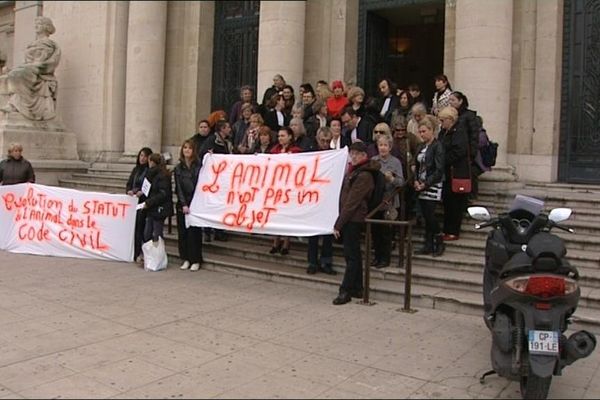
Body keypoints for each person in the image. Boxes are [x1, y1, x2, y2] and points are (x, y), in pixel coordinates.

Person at [332, 142, 381, 305]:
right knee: (353, 254)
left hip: (354, 218)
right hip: (351, 216)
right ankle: (358, 287)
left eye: (356, 154)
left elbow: (352, 202)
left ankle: (345, 290)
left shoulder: (364, 175)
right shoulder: (356, 172)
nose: (352, 156)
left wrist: (339, 223)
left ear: (363, 156)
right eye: (351, 153)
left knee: (351, 255)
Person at [0, 17, 60, 120]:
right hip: (30, 68)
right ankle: (15, 104)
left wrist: (31, 66)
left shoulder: (49, 44)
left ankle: (18, 106)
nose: (36, 26)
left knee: (16, 74)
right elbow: (27, 61)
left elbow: (45, 62)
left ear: (46, 27)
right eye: (36, 24)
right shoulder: (33, 43)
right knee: (6, 76)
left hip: (40, 71)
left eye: (39, 24)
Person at [413, 115, 445, 256]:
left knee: (430, 215)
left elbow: (439, 169)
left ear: (432, 130)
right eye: (420, 132)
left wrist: (426, 184)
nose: (421, 134)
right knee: (425, 214)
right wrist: (416, 180)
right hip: (421, 182)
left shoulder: (437, 146)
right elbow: (415, 165)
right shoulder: (421, 146)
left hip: (432, 184)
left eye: (424, 131)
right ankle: (427, 244)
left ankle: (439, 241)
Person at [371, 134, 404, 268]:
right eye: (380, 145)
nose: (383, 148)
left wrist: (391, 179)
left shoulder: (395, 162)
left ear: (390, 147)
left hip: (389, 201)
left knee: (386, 233)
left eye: (385, 145)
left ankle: (385, 259)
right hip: (375, 201)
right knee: (375, 232)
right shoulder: (373, 160)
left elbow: (401, 182)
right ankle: (377, 257)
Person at [306, 127, 336, 276]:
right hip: (314, 198)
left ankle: (326, 261)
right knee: (313, 233)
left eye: (327, 141)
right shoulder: (311, 154)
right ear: (317, 139)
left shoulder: (334, 155)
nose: (325, 143)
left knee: (328, 233)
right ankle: (312, 261)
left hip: (328, 199)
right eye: (322, 140)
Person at [438, 106, 470, 242]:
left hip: (455, 173)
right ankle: (447, 229)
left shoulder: (459, 132)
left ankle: (452, 231)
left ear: (450, 120)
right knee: (447, 203)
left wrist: (443, 159)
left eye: (443, 120)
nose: (441, 123)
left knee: (455, 204)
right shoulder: (443, 132)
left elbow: (459, 151)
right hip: (446, 174)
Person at [269, 127, 302, 255]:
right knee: (276, 215)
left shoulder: (296, 151)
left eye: (283, 135)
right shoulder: (274, 151)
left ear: (290, 137)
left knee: (287, 215)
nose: (280, 138)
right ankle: (275, 241)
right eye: (279, 136)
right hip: (276, 187)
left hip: (289, 188)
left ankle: (286, 242)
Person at [174, 140, 203, 271]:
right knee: (183, 233)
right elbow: (178, 187)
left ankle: (196, 259)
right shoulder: (178, 168)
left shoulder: (198, 166)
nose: (187, 150)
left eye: (189, 148)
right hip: (183, 203)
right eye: (185, 148)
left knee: (194, 234)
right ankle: (185, 258)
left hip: (195, 202)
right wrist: (184, 203)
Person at [125, 146, 152, 263]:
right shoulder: (136, 170)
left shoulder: (149, 171)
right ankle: (135, 253)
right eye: (141, 155)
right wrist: (129, 191)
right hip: (133, 201)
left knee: (140, 228)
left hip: (143, 203)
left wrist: (142, 192)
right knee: (134, 228)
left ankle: (140, 253)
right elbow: (129, 183)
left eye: (145, 156)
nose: (142, 158)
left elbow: (149, 186)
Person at [142, 153, 173, 245]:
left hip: (159, 207)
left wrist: (149, 202)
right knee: (148, 233)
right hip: (152, 207)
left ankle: (158, 255)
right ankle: (151, 254)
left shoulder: (162, 176)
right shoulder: (151, 174)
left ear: (152, 162)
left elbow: (163, 193)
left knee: (157, 233)